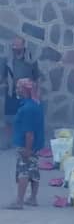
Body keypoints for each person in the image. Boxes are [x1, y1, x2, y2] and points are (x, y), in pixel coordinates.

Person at [8, 78, 44, 209]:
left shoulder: (27, 108)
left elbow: (29, 133)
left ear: (24, 90)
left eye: (18, 87)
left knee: (23, 171)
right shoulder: (36, 104)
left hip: (26, 145)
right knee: (33, 169)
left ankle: (19, 201)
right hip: (35, 145)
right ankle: (33, 198)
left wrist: (27, 150)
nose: (16, 90)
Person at [4, 36, 40, 149]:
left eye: (17, 45)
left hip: (26, 94)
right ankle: (8, 142)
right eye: (13, 45)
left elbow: (37, 77)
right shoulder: (8, 59)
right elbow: (4, 76)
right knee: (9, 119)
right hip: (12, 93)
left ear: (23, 45)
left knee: (26, 119)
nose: (15, 47)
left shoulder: (31, 59)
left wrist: (37, 92)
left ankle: (26, 143)